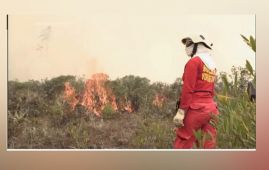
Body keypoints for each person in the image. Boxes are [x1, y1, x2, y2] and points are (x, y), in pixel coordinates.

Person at [173, 35, 219, 149]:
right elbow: (211, 90)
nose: (187, 47)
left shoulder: (193, 62)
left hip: (195, 109)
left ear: (198, 45)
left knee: (183, 143)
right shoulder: (212, 65)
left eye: (189, 44)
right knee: (208, 145)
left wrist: (181, 112)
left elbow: (188, 89)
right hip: (212, 109)